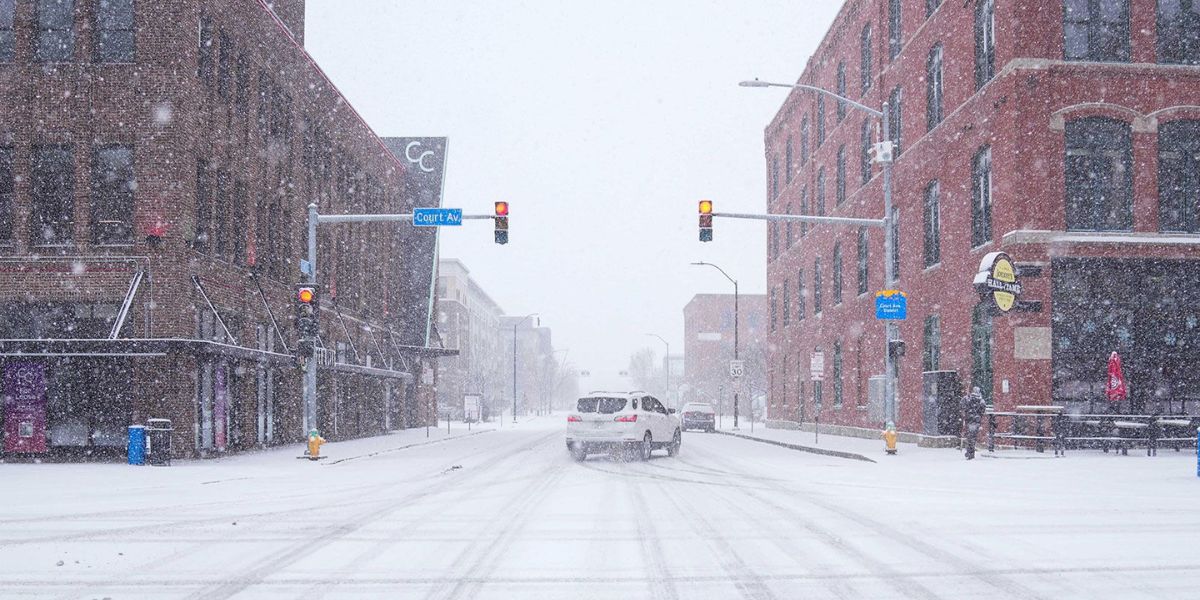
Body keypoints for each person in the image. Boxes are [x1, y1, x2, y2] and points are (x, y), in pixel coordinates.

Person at [961, 386, 987, 460]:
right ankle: (971, 452)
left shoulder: (967, 399)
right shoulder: (981, 400)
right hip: (976, 421)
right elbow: (983, 410)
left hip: (969, 420)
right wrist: (978, 415)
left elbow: (962, 406)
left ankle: (969, 452)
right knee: (973, 437)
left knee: (969, 437)